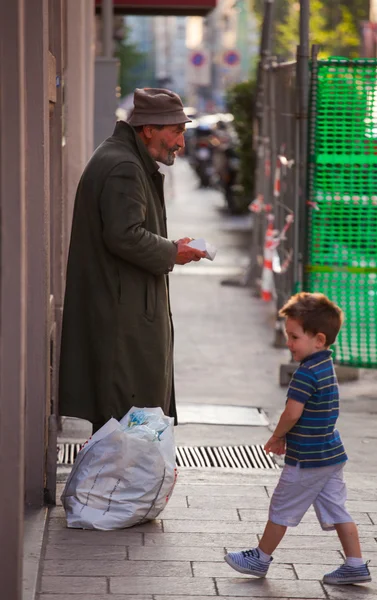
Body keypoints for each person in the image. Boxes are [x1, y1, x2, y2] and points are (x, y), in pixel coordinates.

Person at [59, 88, 206, 434]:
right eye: (177, 131)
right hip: (122, 320)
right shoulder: (124, 166)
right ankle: (116, 487)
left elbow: (127, 231)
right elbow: (124, 235)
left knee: (122, 423)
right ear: (149, 129)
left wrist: (171, 246)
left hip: (122, 310)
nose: (181, 143)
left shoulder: (123, 158)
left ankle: (117, 485)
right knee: (124, 423)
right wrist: (172, 252)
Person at [225, 292, 372, 586]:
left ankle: (260, 558)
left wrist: (278, 436)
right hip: (330, 455)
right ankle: (355, 563)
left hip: (306, 459)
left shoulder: (305, 374)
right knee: (337, 509)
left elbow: (292, 413)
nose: (289, 344)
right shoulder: (326, 366)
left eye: (294, 337)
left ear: (318, 339)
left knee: (281, 506)